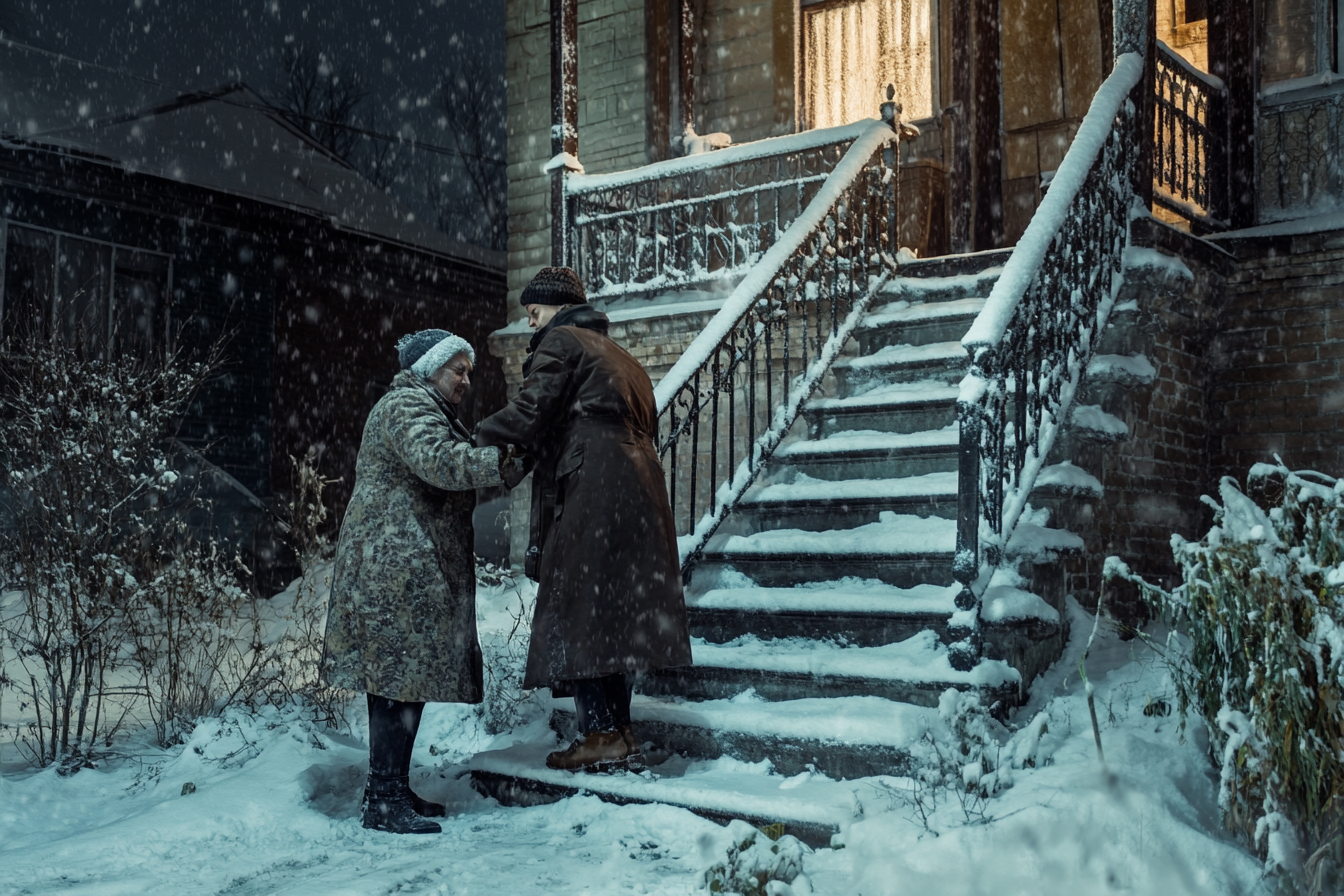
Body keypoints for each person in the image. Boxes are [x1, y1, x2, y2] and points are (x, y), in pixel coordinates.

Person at [475, 266, 692, 772]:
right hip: (637, 488)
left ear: (557, 307)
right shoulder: (621, 356)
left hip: (592, 482)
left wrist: (477, 434)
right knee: (612, 610)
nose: (531, 325)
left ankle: (598, 734)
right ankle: (618, 731)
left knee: (582, 606)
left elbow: (532, 412)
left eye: (534, 313)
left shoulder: (562, 341)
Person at [322, 329, 522, 834]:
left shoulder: (424, 407)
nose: (466, 380)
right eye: (458, 369)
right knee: (395, 683)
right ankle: (385, 798)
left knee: (403, 681)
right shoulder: (407, 406)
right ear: (429, 367)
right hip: (393, 571)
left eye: (470, 371)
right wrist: (502, 461)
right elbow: (441, 462)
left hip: (404, 568)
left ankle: (387, 790)